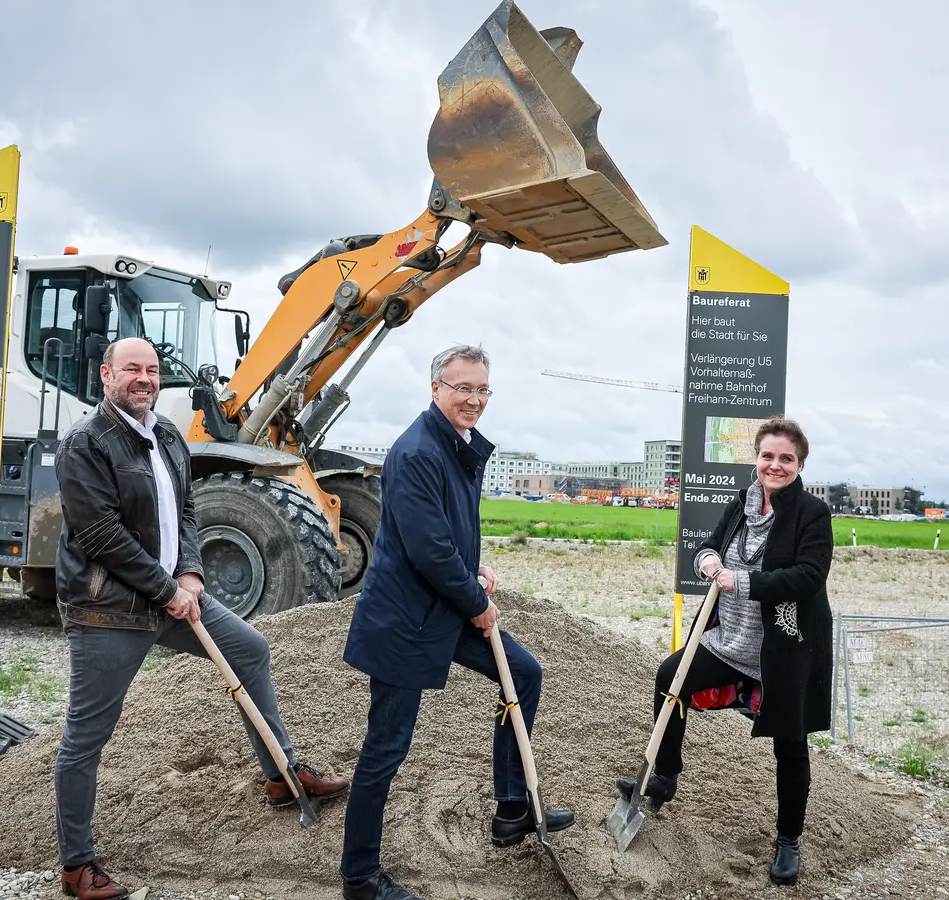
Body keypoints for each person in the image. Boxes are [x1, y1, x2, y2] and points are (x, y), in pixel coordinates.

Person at [52, 337, 349, 900]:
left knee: (250, 649)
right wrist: (166, 588)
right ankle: (77, 866)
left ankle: (282, 775)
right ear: (105, 376)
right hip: (109, 608)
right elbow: (100, 534)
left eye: (152, 370)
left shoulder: (165, 435)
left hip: (172, 595)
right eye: (131, 370)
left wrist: (189, 573)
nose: (143, 379)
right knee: (87, 736)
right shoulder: (86, 444)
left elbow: (186, 508)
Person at [338, 345, 574, 900]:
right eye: (462, 387)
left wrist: (473, 570)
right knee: (385, 751)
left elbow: (445, 537)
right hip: (406, 620)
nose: (473, 399)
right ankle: (360, 879)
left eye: (481, 390)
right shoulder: (418, 452)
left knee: (524, 672)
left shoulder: (456, 446)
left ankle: (512, 808)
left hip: (441, 607)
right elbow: (428, 549)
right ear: (435, 388)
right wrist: (475, 600)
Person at [616, 417, 834, 887]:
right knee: (669, 677)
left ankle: (788, 840)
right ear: (756, 458)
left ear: (799, 464)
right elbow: (709, 547)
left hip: (784, 648)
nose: (775, 465)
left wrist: (746, 580)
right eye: (768, 456)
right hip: (730, 638)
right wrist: (709, 560)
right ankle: (664, 776)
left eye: (786, 459)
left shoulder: (812, 514)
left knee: (790, 745)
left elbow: (809, 576)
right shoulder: (742, 502)